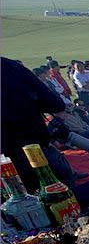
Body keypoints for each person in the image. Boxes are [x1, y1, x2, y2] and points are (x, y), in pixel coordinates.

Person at [1, 57, 77, 189]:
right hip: (34, 144)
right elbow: (52, 101)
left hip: (7, 159)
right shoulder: (10, 66)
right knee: (62, 193)